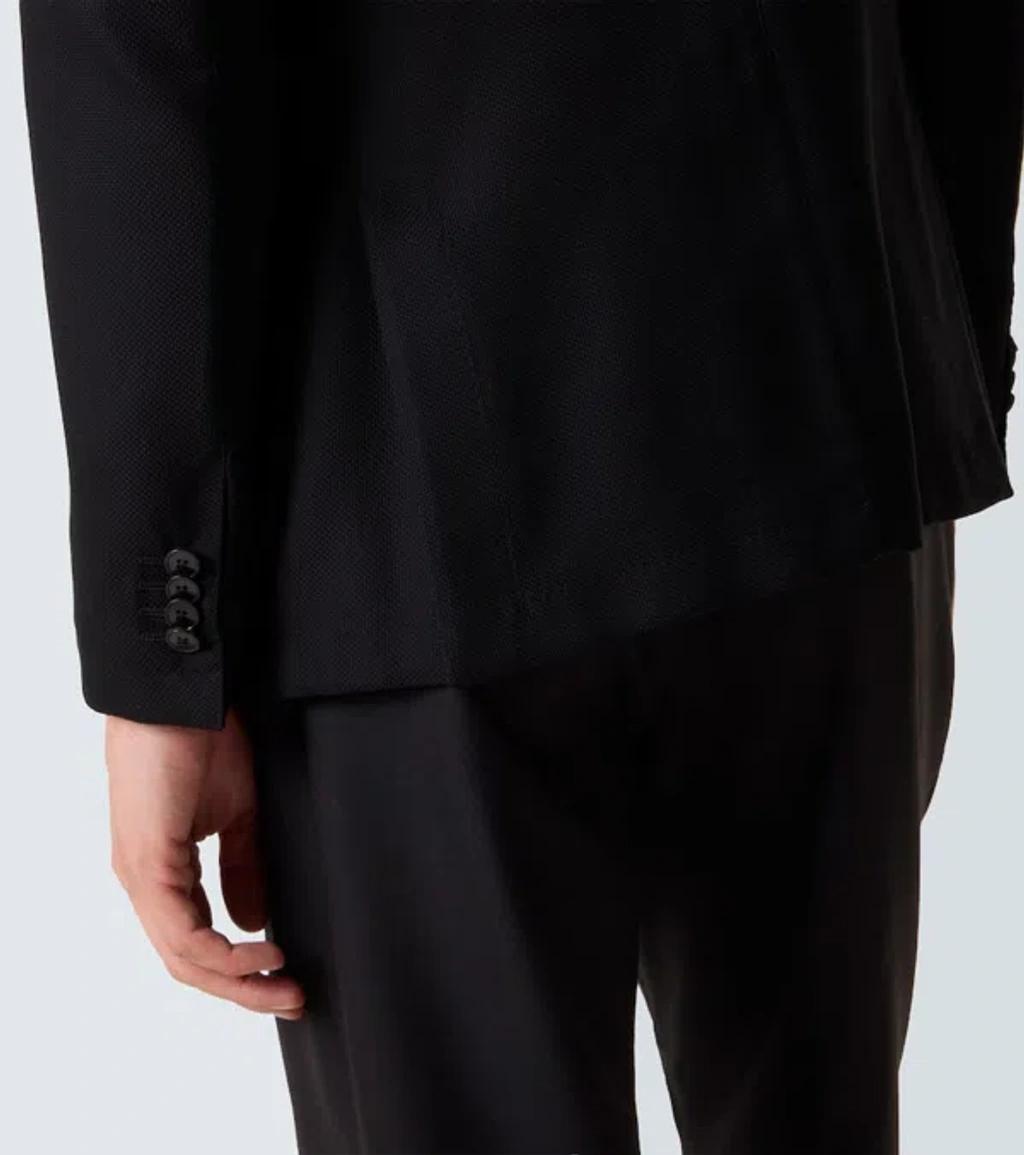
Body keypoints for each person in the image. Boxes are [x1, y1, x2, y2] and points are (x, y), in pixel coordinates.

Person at [19, 3, 1021, 1153]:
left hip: (405, 504)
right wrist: (935, 369)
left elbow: (138, 50)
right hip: (823, 405)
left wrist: (163, 645)